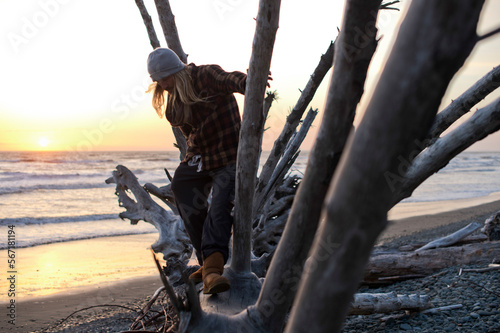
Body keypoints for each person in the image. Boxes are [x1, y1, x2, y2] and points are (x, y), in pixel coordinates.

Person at [146, 47, 247, 294]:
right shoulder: (173, 105)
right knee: (181, 185)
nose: (163, 85)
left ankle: (213, 270)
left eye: (165, 78)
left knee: (221, 204)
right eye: (158, 81)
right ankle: (207, 261)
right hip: (201, 157)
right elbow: (191, 136)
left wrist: (249, 81)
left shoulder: (205, 75)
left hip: (228, 155)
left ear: (176, 71)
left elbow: (230, 80)